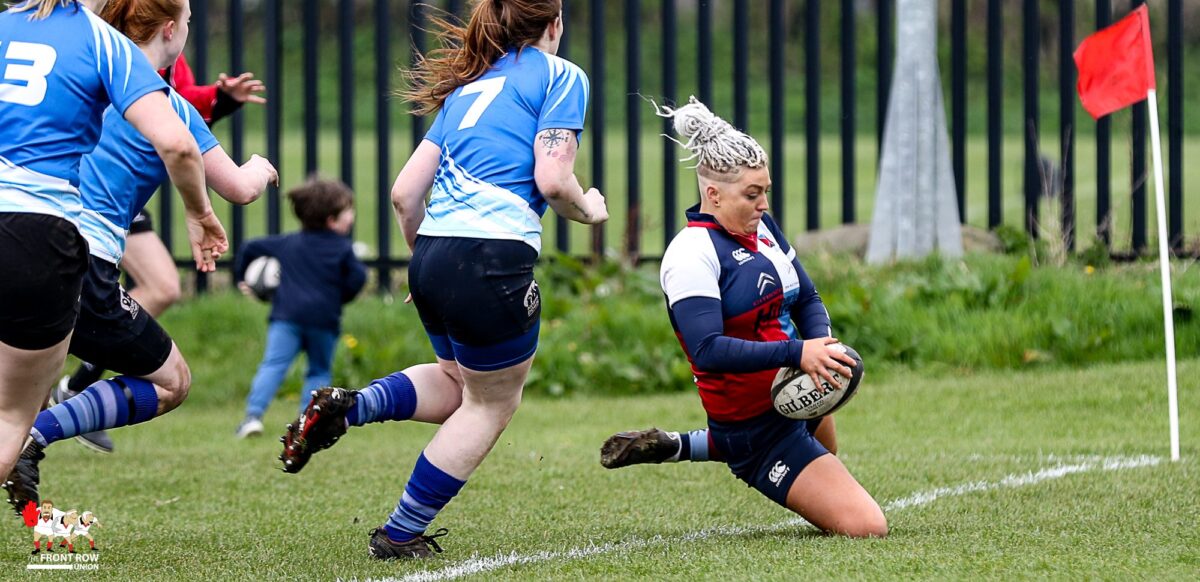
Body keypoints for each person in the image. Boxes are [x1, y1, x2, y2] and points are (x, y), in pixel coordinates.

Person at [276, 0, 607, 560]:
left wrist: (426, 264)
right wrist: (590, 209)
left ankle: (347, 406)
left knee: (458, 383)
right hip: (492, 254)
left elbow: (405, 194)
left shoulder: (469, 87)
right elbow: (553, 180)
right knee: (490, 404)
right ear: (555, 23)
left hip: (432, 249)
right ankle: (401, 532)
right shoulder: (562, 75)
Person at [1, 0, 276, 517]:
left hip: (22, 235)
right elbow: (237, 187)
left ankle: (36, 425)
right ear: (171, 32)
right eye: (190, 24)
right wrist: (261, 168)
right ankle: (38, 436)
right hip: (73, 262)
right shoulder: (160, 99)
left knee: (19, 390)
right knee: (172, 382)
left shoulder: (73, 71)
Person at [601, 98, 887, 538]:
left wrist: (821, 349)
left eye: (765, 191)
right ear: (713, 194)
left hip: (793, 390)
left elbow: (807, 297)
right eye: (752, 195)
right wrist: (798, 351)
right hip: (753, 426)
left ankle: (679, 444)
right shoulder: (690, 255)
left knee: (829, 448)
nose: (764, 204)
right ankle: (726, 447)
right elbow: (708, 349)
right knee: (867, 527)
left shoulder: (763, 230)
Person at [58, 50, 268, 455]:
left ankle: (73, 382)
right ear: (170, 29)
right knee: (171, 376)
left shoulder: (82, 58)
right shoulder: (137, 79)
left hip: (36, 220)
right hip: (83, 219)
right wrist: (208, 203)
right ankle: (63, 399)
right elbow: (182, 138)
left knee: (162, 285)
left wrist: (219, 100)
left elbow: (185, 104)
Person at [233, 178, 366, 438]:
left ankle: (252, 417)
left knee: (273, 365)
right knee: (318, 370)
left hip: (286, 318)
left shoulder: (289, 243)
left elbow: (249, 247)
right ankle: (307, 425)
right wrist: (340, 297)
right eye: (348, 211)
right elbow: (358, 278)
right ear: (331, 219)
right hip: (323, 320)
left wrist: (242, 278)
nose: (352, 216)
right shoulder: (342, 248)